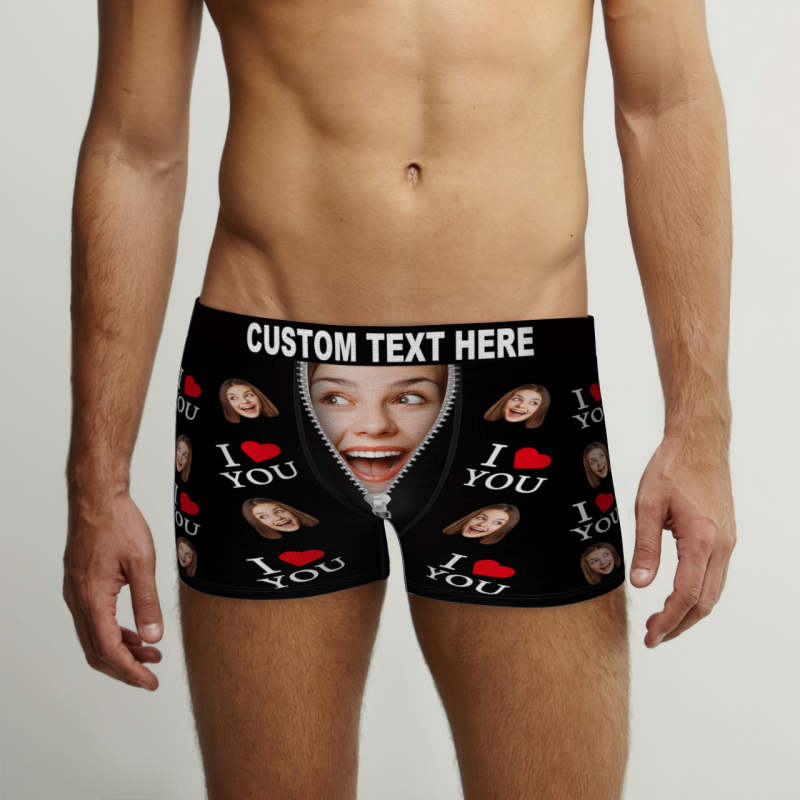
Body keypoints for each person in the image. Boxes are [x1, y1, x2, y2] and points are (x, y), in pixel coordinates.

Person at [61, 0, 737, 797]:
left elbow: (666, 105)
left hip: (520, 388)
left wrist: (701, 429)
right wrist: (96, 486)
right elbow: (135, 150)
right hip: (265, 382)